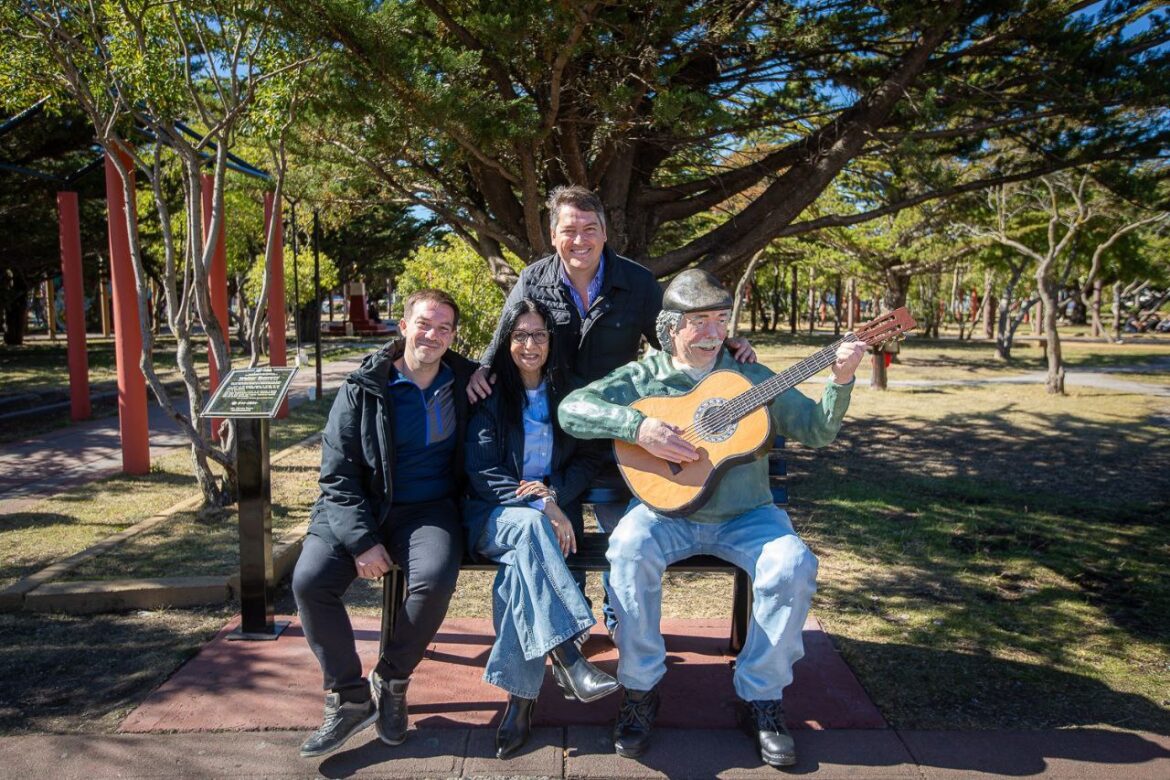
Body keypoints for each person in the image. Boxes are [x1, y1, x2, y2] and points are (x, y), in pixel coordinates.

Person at [558, 269, 867, 767]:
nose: (712, 332)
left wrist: (842, 377)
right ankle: (640, 688)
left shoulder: (752, 376)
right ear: (670, 327)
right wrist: (638, 426)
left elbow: (816, 431)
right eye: (699, 321)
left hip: (748, 516)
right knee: (628, 548)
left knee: (793, 565)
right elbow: (573, 409)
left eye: (720, 320)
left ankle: (761, 697)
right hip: (664, 511)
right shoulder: (644, 376)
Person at [466, 185, 756, 633]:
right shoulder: (534, 279)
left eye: (589, 229)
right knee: (562, 523)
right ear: (552, 233)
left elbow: (676, 334)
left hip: (619, 430)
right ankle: (573, 620)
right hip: (556, 435)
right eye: (569, 230)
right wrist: (482, 369)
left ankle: (619, 616)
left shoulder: (636, 282)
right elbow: (508, 333)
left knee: (623, 533)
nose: (579, 240)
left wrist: (722, 345)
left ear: (605, 232)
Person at [291, 289, 477, 758]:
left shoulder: (466, 380)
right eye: (424, 324)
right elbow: (338, 475)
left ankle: (391, 678)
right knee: (311, 581)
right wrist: (361, 541)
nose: (432, 335)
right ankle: (349, 697)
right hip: (362, 505)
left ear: (453, 336)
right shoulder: (364, 386)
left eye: (444, 328)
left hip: (428, 509)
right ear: (403, 326)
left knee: (433, 581)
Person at [463, 298, 619, 758]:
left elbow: (591, 457)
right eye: (520, 336)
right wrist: (541, 501)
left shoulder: (570, 392)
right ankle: (569, 655)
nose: (529, 345)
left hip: (548, 519)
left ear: (552, 342)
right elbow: (483, 471)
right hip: (493, 515)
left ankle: (521, 703)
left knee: (517, 581)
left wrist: (553, 496)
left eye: (539, 335)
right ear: (507, 341)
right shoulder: (488, 392)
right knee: (532, 528)